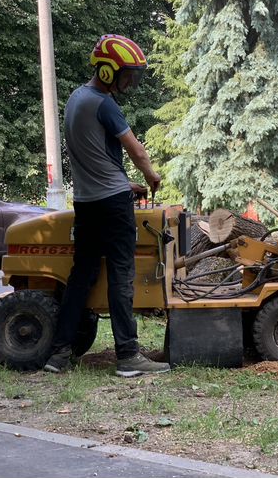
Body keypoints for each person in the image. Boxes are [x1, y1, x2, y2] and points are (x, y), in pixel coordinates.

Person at [44, 34, 170, 377]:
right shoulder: (104, 103)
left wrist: (122, 182)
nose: (131, 80)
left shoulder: (76, 99)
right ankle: (128, 356)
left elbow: (91, 156)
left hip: (87, 202)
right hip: (112, 207)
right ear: (107, 70)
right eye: (127, 73)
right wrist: (151, 176)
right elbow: (137, 150)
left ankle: (58, 354)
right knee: (121, 276)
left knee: (80, 276)